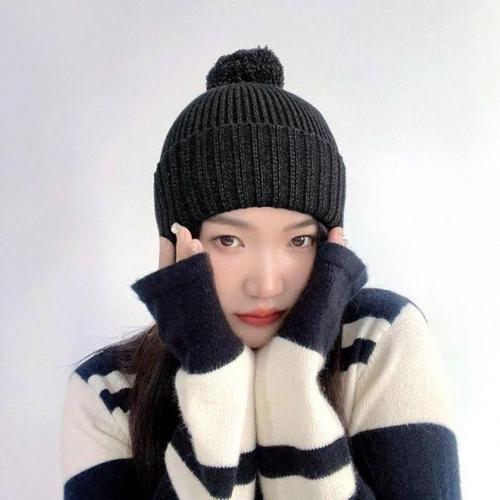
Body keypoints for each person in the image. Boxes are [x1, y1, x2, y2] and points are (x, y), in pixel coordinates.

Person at [59, 46, 462, 499]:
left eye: (299, 240)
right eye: (229, 241)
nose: (267, 284)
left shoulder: (377, 339)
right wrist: (214, 383)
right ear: (175, 248)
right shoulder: (107, 392)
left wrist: (291, 385)